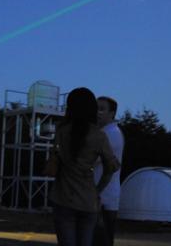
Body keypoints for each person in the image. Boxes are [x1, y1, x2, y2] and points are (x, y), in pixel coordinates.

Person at [49, 87, 119, 246]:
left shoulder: (62, 130)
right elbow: (111, 168)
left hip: (63, 197)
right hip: (88, 200)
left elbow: (55, 158)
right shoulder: (99, 135)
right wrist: (98, 189)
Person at [93, 96, 124, 246]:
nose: (97, 112)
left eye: (102, 109)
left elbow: (90, 159)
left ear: (112, 113)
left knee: (101, 240)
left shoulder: (110, 134)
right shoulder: (108, 132)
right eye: (96, 108)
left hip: (103, 196)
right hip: (105, 196)